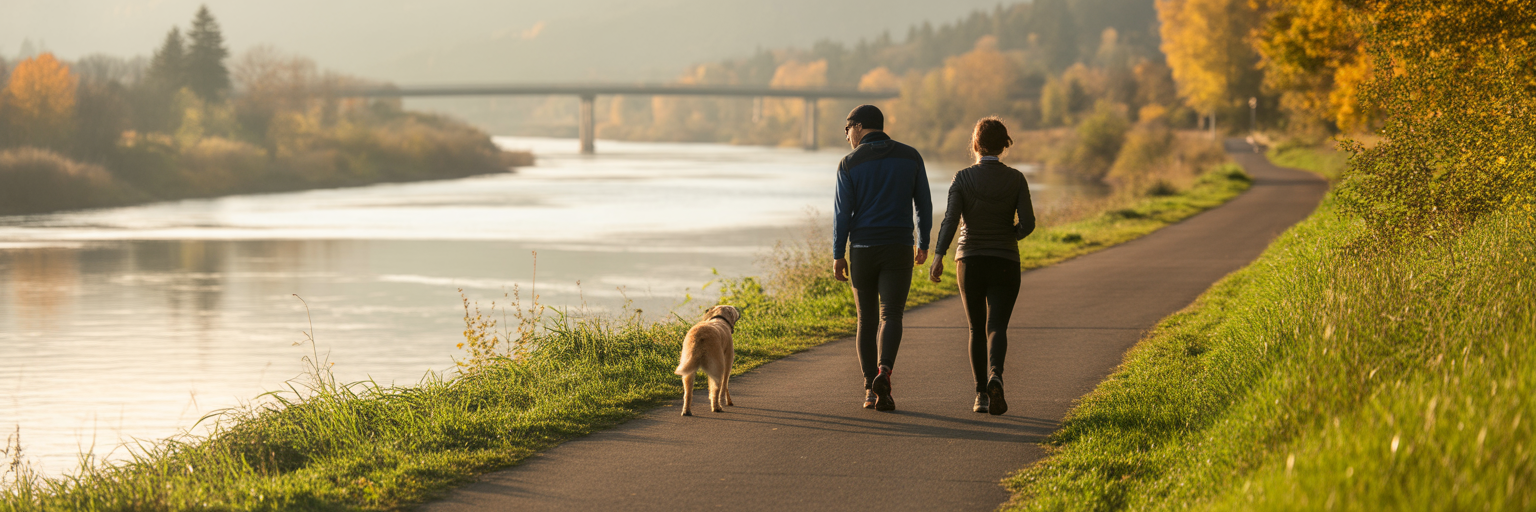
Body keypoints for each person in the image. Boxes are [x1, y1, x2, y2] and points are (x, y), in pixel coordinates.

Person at [929, 117, 1035, 415]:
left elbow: (950, 220)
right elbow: (1028, 223)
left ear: (975, 144)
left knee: (976, 328)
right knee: (997, 326)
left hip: (970, 260)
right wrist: (1008, 236)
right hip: (1005, 259)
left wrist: (938, 255)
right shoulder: (1016, 178)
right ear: (1004, 146)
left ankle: (980, 396)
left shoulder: (961, 178)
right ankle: (996, 376)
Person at [833, 104, 932, 412]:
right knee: (892, 315)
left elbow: (841, 214)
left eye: (847, 130)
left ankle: (869, 389)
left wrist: (838, 254)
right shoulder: (910, 156)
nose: (847, 136)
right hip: (898, 247)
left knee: (867, 319)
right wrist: (923, 242)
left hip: (862, 249)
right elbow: (924, 205)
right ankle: (884, 373)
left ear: (859, 127)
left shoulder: (849, 163)